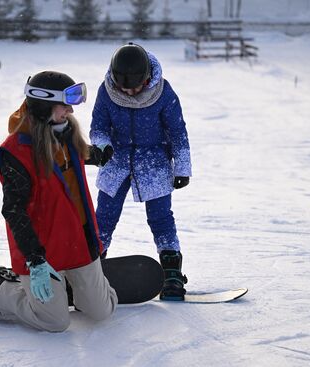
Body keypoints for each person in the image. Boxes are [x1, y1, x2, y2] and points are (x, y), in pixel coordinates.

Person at [0, 71, 118, 332]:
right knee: (55, 322)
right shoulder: (15, 152)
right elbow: (13, 210)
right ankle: (0, 290)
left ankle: (72, 288)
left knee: (102, 311)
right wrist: (35, 260)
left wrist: (97, 155)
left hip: (77, 242)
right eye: (64, 104)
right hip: (40, 250)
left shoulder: (67, 134)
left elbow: (75, 157)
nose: (70, 110)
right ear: (43, 106)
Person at [90, 43, 192, 301]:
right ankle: (90, 267)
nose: (130, 92)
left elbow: (178, 132)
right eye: (124, 87)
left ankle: (171, 273)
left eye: (135, 87)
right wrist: (103, 147)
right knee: (103, 217)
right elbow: (98, 128)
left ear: (147, 78)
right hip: (117, 159)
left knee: (161, 218)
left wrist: (182, 167)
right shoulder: (107, 91)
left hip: (154, 159)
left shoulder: (164, 92)